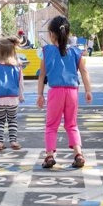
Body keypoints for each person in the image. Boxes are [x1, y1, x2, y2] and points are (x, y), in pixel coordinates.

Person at [37, 16, 93, 168]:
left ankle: (49, 156)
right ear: (68, 34)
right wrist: (88, 91)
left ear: (52, 34)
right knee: (72, 124)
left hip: (55, 92)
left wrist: (40, 94)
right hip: (72, 92)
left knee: (51, 125)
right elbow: (84, 71)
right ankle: (78, 154)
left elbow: (42, 74)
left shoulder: (46, 51)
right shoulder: (76, 51)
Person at [0, 37, 25, 151]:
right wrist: (21, 96)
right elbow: (20, 83)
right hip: (13, 98)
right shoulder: (17, 66)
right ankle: (13, 141)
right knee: (13, 120)